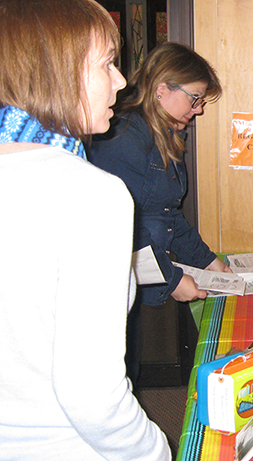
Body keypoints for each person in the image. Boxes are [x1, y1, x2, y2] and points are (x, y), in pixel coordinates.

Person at [0, 0, 171, 459]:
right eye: (107, 64)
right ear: (57, 71)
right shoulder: (91, 193)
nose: (120, 81)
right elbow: (93, 398)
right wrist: (155, 450)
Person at [89, 42, 231, 308]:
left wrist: (208, 261)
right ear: (161, 89)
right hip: (126, 284)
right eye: (195, 98)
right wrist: (172, 280)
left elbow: (167, 214)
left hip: (150, 277)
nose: (199, 109)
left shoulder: (164, 135)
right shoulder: (124, 137)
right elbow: (123, 223)